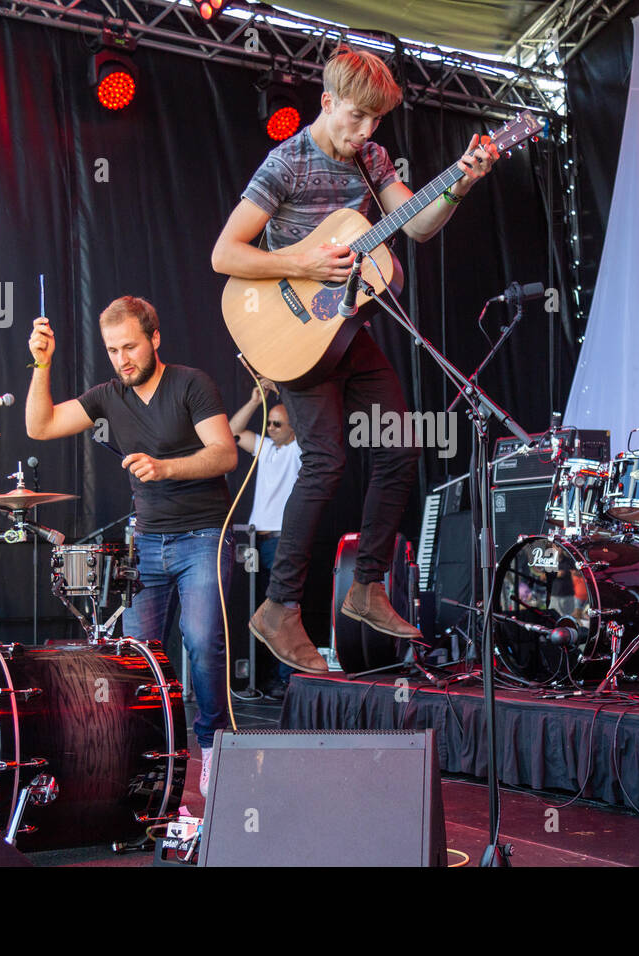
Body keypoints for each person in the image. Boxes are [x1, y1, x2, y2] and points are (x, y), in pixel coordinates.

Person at [211, 45, 498, 674]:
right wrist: (302, 263)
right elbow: (225, 254)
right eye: (357, 117)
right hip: (295, 332)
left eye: (376, 121)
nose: (367, 131)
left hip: (347, 327)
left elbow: (416, 226)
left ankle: (367, 588)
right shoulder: (284, 163)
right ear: (326, 101)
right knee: (327, 461)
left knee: (400, 445)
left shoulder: (370, 158)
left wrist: (460, 182)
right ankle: (278, 607)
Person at [24, 296, 237, 798]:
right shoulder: (108, 395)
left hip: (204, 536)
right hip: (147, 543)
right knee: (139, 657)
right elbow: (40, 426)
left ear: (155, 339)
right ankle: (154, 757)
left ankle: (214, 749)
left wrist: (165, 468)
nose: (123, 359)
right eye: (113, 349)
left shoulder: (192, 384)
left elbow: (225, 453)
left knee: (204, 644)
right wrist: (41, 364)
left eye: (131, 346)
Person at [230, 379, 301, 697]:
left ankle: (287, 679)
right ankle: (268, 678)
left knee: (283, 606)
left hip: (283, 540)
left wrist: (282, 391)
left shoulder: (299, 450)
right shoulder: (267, 447)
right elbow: (231, 432)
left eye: (277, 424)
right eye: (268, 423)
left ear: (293, 427)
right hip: (256, 541)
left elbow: (304, 418)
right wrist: (255, 401)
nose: (270, 428)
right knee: (261, 610)